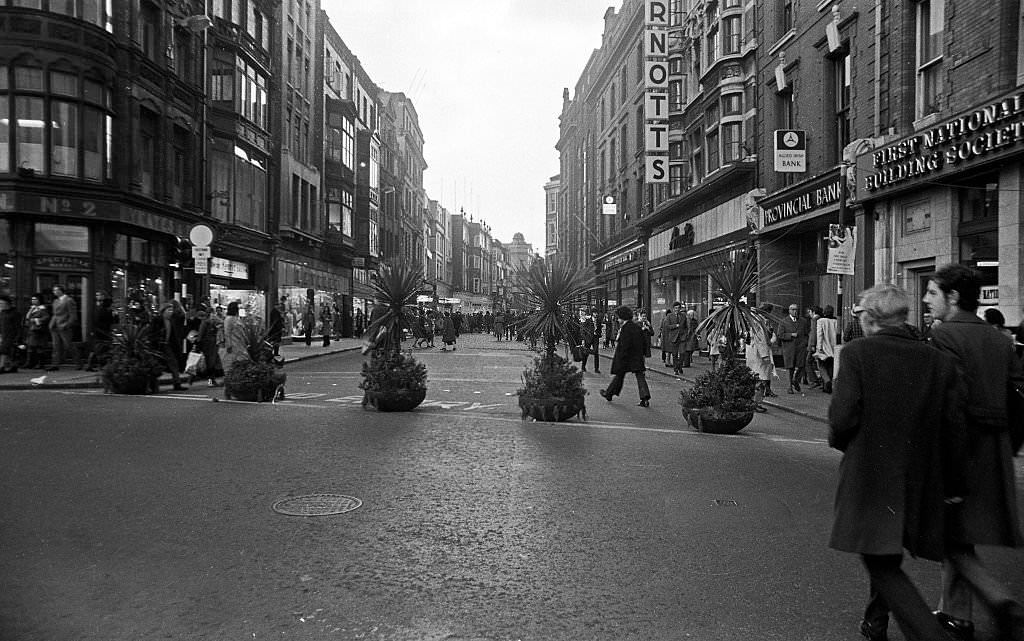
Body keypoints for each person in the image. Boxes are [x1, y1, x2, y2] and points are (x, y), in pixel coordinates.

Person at [829, 284, 968, 641]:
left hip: (869, 474)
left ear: (872, 318)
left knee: (879, 558)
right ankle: (875, 621)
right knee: (885, 553)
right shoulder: (937, 360)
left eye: (861, 314)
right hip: (919, 477)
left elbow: (842, 419)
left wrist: (845, 445)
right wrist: (952, 484)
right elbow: (953, 428)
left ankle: (927, 634)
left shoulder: (858, 354)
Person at [923, 264, 1024, 641]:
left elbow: (947, 405)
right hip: (993, 450)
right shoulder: (1001, 340)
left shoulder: (944, 336)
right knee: (959, 535)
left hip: (959, 450)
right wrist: (1007, 447)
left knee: (950, 534)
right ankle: (957, 614)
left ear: (952, 297)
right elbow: (1019, 402)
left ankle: (1001, 602)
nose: (925, 299)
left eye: (932, 292)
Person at [599, 306, 651, 407]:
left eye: (619, 317)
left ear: (623, 317)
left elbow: (624, 346)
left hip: (627, 357)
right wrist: (643, 354)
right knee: (640, 376)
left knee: (619, 375)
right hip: (637, 357)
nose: (618, 319)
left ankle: (609, 393)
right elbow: (644, 342)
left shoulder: (625, 329)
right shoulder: (637, 327)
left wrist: (621, 358)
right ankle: (645, 397)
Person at [149, 301, 187, 391]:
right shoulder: (157, 320)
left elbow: (182, 315)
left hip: (167, 345)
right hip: (158, 345)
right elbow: (152, 332)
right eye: (169, 310)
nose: (171, 312)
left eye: (172, 310)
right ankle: (153, 385)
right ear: (163, 311)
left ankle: (177, 383)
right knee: (155, 365)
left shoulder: (171, 321)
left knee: (173, 363)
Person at [779, 303, 809, 393]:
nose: (795, 311)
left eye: (796, 310)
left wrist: (806, 343)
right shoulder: (783, 322)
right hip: (789, 348)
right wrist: (790, 335)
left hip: (801, 347)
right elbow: (780, 335)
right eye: (793, 309)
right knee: (790, 367)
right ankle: (789, 387)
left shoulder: (803, 321)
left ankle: (795, 380)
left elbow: (807, 333)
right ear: (789, 311)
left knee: (802, 366)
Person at [47, 284, 78, 371]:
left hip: (64, 326)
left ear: (61, 291)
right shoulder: (55, 301)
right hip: (55, 326)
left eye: (56, 290)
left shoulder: (69, 300)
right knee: (56, 346)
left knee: (68, 345)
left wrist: (67, 324)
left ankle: (78, 363)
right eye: (54, 290)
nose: (54, 292)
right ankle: (55, 364)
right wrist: (51, 324)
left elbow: (73, 315)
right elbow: (55, 314)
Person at [743, 323, 773, 412]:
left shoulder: (750, 321)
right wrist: (765, 355)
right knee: (760, 380)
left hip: (751, 354)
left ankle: (752, 401)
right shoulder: (759, 323)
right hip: (758, 356)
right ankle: (757, 403)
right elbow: (761, 340)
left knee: (754, 379)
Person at [85, 293, 117, 372]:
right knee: (101, 349)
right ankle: (99, 365)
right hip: (103, 332)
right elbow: (111, 321)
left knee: (96, 349)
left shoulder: (99, 309)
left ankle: (91, 365)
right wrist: (114, 315)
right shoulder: (106, 311)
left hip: (98, 332)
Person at [192, 305, 223, 387]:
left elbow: (200, 335)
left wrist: (197, 343)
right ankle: (211, 381)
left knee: (210, 363)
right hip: (210, 345)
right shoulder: (208, 322)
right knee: (210, 364)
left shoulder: (207, 322)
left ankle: (210, 380)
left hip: (208, 345)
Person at [814, 305, 838, 393]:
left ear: (824, 312)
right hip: (834, 348)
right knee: (831, 366)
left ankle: (827, 381)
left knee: (821, 366)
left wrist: (819, 348)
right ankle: (829, 386)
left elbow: (819, 335)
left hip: (824, 348)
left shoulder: (821, 321)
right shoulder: (836, 321)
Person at [23, 294, 50, 369]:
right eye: (32, 299)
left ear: (39, 300)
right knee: (30, 346)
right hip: (30, 329)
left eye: (35, 299)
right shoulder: (32, 308)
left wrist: (36, 320)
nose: (33, 301)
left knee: (38, 347)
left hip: (38, 329)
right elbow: (27, 317)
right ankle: (30, 362)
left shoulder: (43, 308)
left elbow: (46, 317)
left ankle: (40, 363)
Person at [0, 295, 21, 373]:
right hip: (3, 334)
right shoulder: (2, 312)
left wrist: (18, 336)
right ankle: (13, 366)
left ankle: (1, 367)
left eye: (2, 303)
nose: (1, 305)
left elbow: (18, 326)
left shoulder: (15, 313)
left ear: (7, 303)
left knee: (4, 351)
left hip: (11, 335)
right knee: (7, 352)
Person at [222, 301, 247, 370]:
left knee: (241, 358)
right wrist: (229, 344)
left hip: (240, 342)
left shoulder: (237, 318)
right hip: (233, 342)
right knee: (233, 359)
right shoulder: (228, 319)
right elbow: (227, 332)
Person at [805, 306, 823, 388]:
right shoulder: (821, 319)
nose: (809, 314)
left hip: (814, 345)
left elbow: (814, 333)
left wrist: (812, 345)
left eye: (809, 312)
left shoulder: (814, 320)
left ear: (813, 312)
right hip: (821, 344)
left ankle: (814, 380)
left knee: (808, 362)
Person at [579, 309, 601, 374]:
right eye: (595, 313)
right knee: (586, 353)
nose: (596, 314)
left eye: (597, 313)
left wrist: (599, 334)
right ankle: (583, 367)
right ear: (592, 313)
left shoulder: (598, 321)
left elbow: (599, 329)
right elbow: (583, 329)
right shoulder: (588, 321)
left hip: (595, 338)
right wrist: (584, 338)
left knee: (596, 353)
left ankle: (596, 369)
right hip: (588, 339)